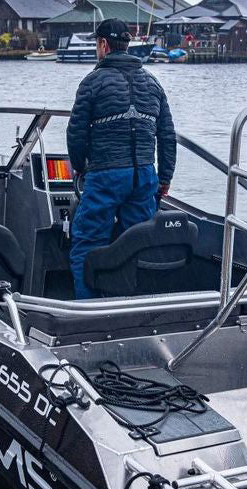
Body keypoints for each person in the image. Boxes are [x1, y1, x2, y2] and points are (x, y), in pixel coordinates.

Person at [66, 18, 176, 299]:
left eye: (96, 44)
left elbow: (76, 134)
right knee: (135, 246)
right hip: (143, 177)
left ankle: (86, 313)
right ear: (126, 45)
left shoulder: (92, 82)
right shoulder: (153, 83)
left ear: (103, 45)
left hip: (105, 176)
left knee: (86, 243)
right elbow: (166, 136)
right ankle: (127, 309)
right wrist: (164, 179)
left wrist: (80, 168)